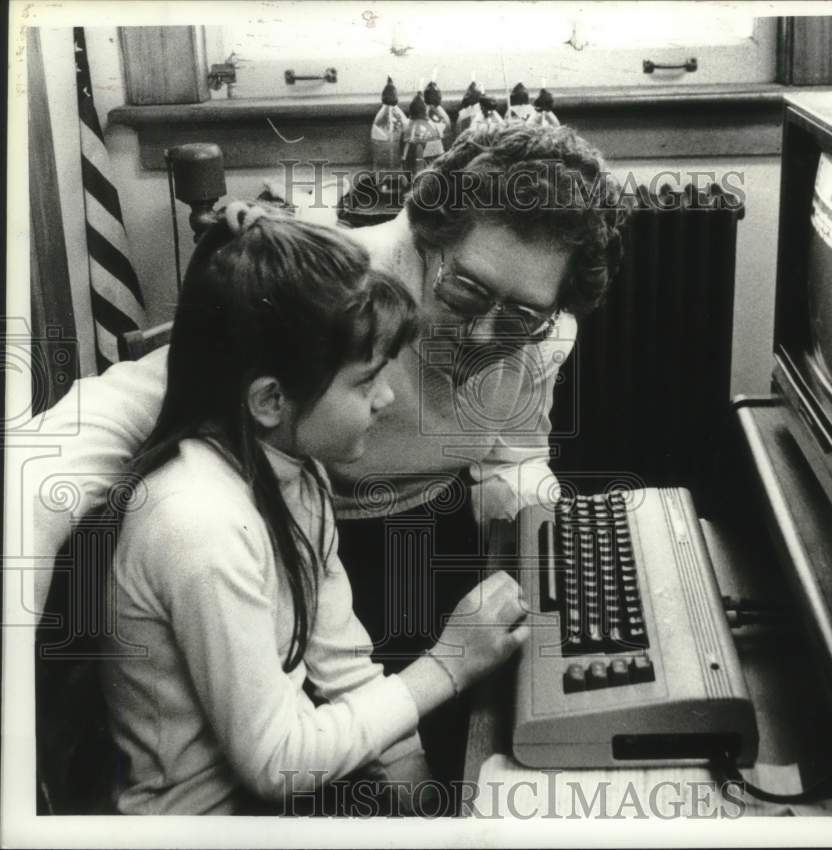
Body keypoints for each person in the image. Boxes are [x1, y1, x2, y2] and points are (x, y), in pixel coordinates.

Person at [29, 122, 627, 787]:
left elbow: (514, 462)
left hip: (407, 539)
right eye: (467, 292)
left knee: (510, 723)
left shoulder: (539, 334)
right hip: (294, 555)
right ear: (428, 242)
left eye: (520, 314)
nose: (488, 332)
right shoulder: (340, 291)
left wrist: (562, 562)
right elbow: (105, 421)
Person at [93, 204, 527, 815]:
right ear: (270, 399)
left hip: (288, 801)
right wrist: (449, 664)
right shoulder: (198, 524)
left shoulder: (297, 475)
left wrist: (425, 801)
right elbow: (276, 763)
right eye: (365, 379)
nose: (388, 397)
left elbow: (345, 664)